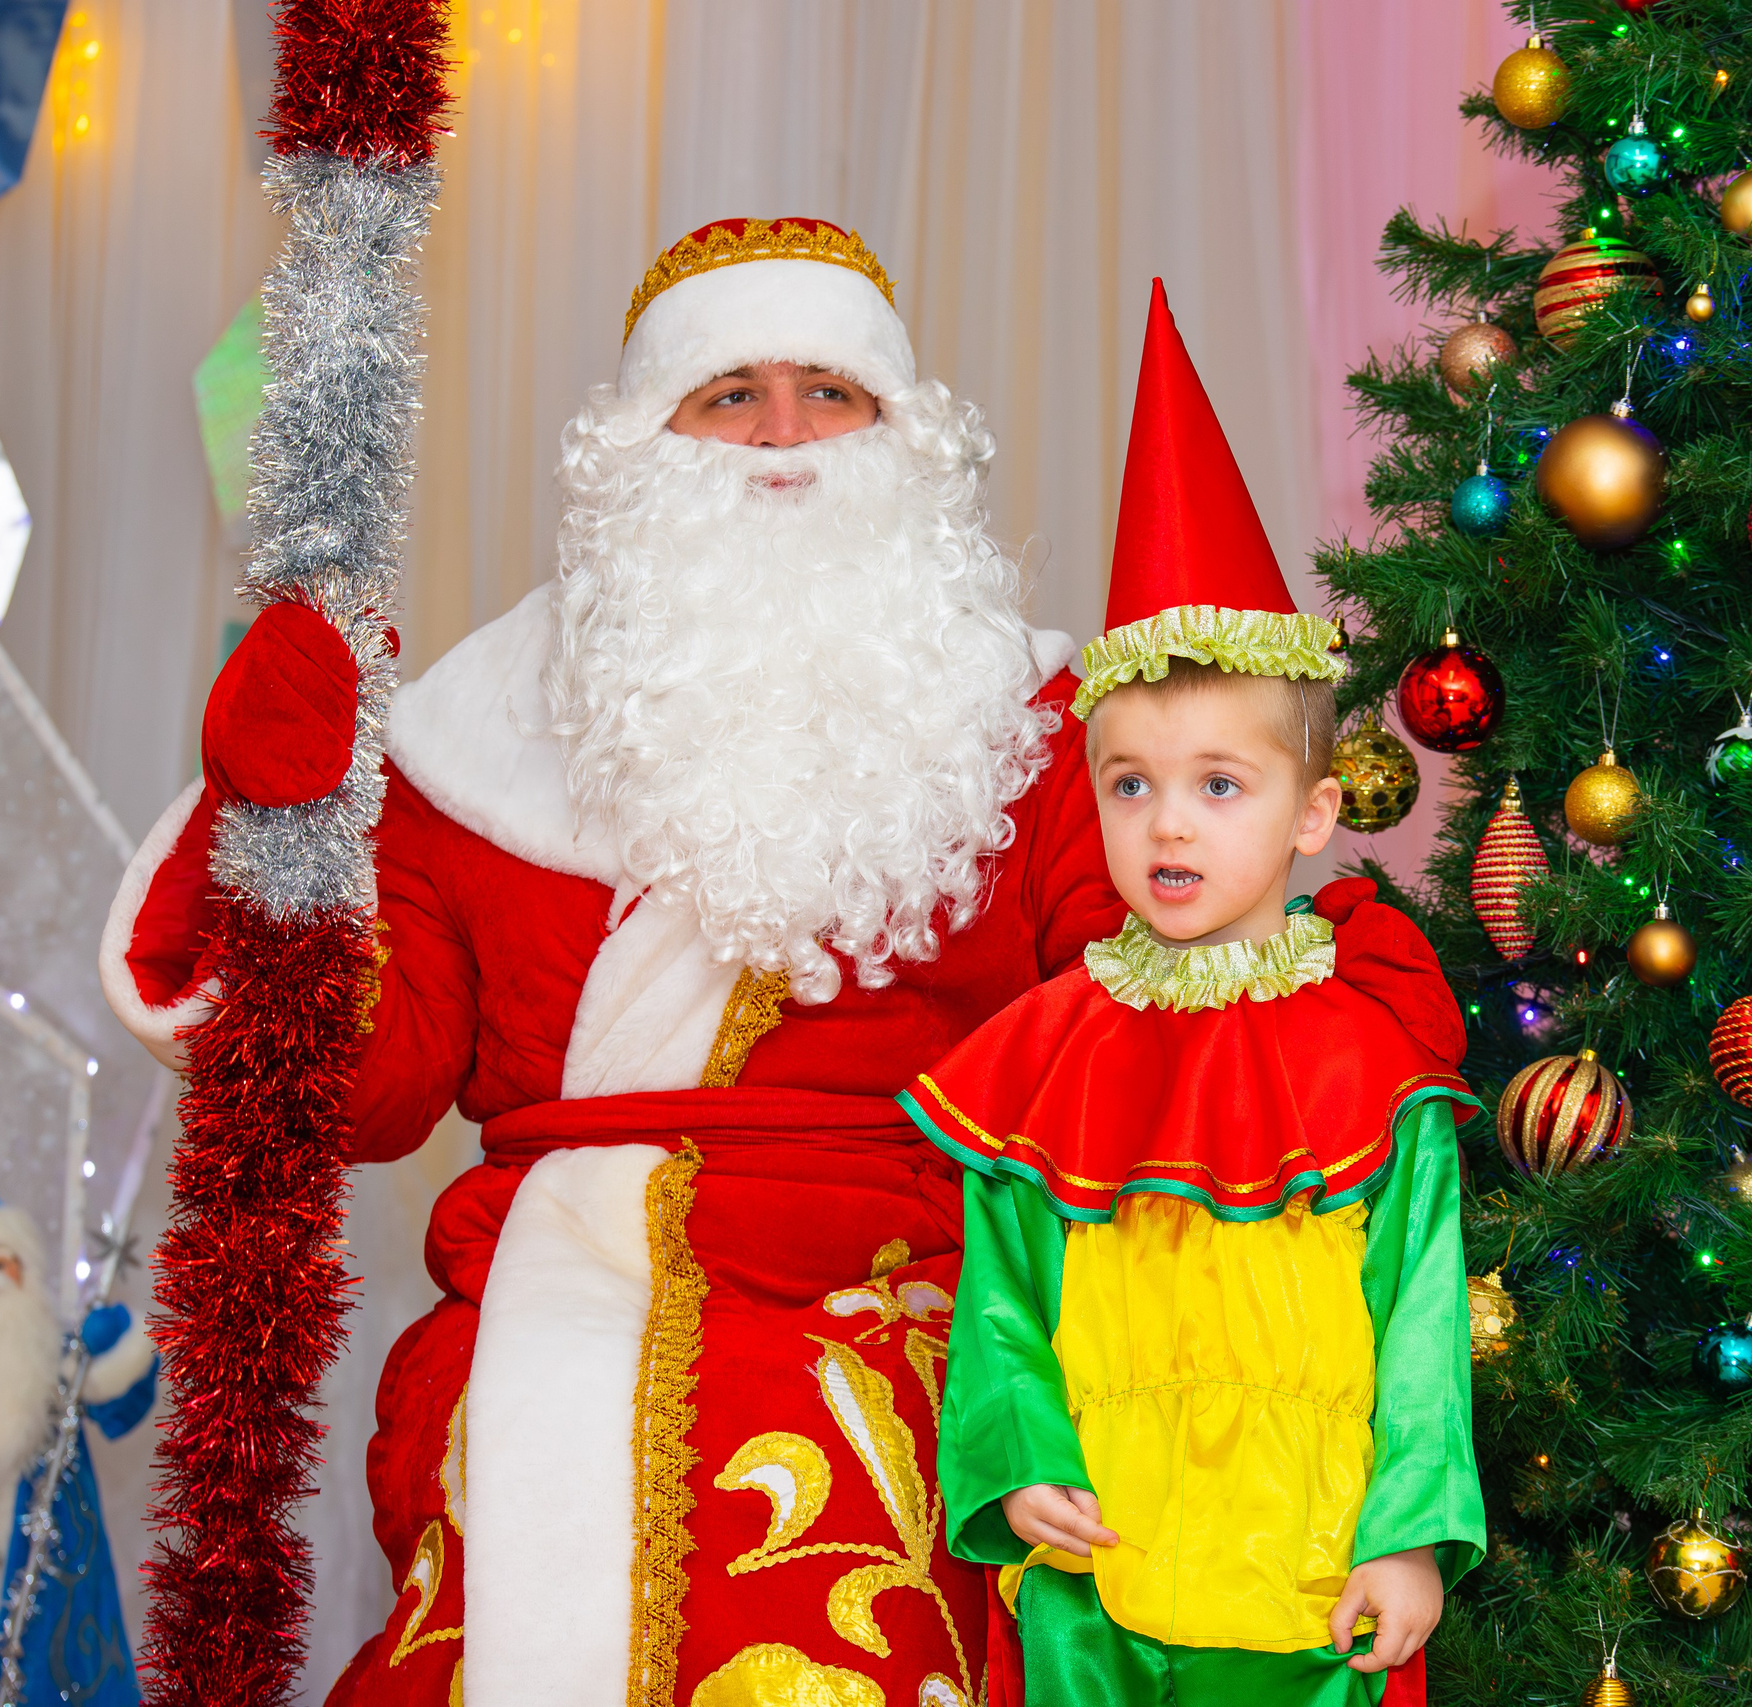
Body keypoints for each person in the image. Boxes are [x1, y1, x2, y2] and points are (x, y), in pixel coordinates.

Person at [99, 218, 1124, 1707]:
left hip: (913, 1285)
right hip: (547, 1284)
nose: (784, 437)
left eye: (831, 391)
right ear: (644, 439)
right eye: (730, 394)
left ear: (901, 429)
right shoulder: (474, 736)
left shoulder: (1039, 716)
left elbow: (1135, 1044)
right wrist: (281, 824)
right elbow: (365, 1094)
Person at [899, 282, 1484, 1707]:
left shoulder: (1370, 1059)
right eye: (1131, 784)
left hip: (1313, 1583)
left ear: (1312, 813)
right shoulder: (1045, 1055)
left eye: (1220, 785)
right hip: (1102, 1576)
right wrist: (1019, 1461)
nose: (1167, 823)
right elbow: (1000, 1301)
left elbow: (1422, 1319)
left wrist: (1409, 1538)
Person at [0, 1200, 156, 1707]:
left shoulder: (52, 1361)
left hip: (43, 1540)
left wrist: (114, 1344)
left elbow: (120, 1406)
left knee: (44, 1659)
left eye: (0, 1263)